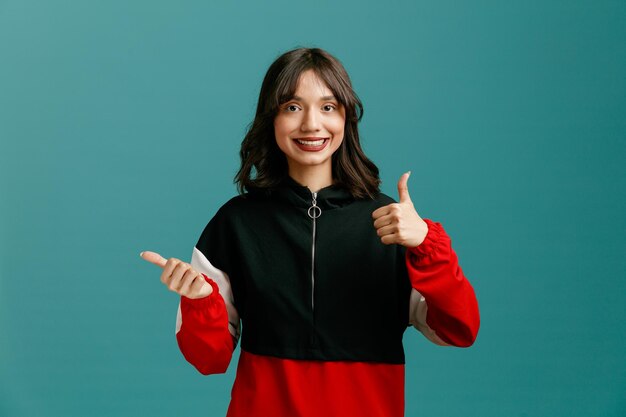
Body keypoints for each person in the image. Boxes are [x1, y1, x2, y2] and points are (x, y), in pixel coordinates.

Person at [141, 47, 480, 417]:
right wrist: (200, 302)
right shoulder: (234, 223)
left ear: (346, 117)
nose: (311, 124)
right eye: (292, 107)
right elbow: (209, 359)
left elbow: (457, 331)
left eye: (328, 107)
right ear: (270, 119)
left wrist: (428, 245)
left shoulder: (392, 223)